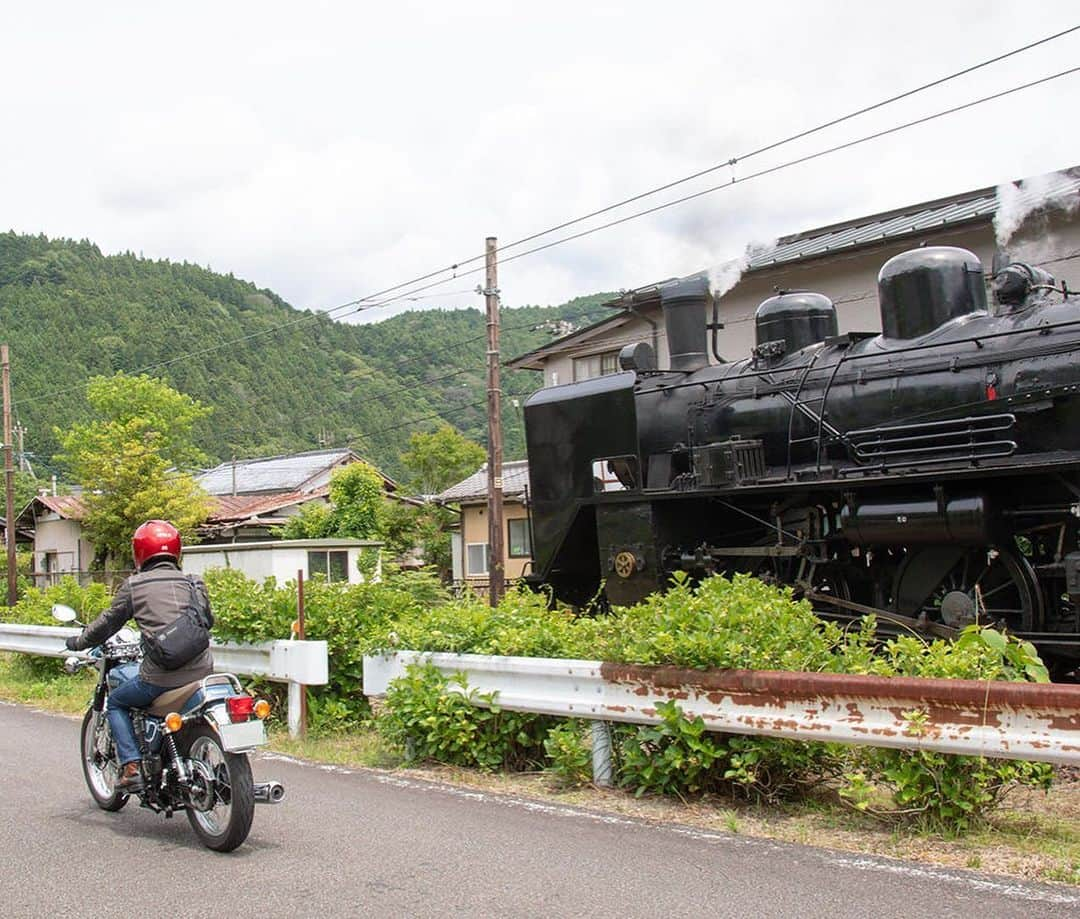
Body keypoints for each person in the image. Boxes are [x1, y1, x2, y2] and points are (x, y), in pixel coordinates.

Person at [65, 520, 214, 791]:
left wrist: (79, 641)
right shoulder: (194, 582)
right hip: (203, 673)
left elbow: (109, 623)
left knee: (118, 702)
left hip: (161, 678)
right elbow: (207, 620)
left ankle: (131, 765)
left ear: (140, 553)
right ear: (176, 552)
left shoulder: (135, 585)